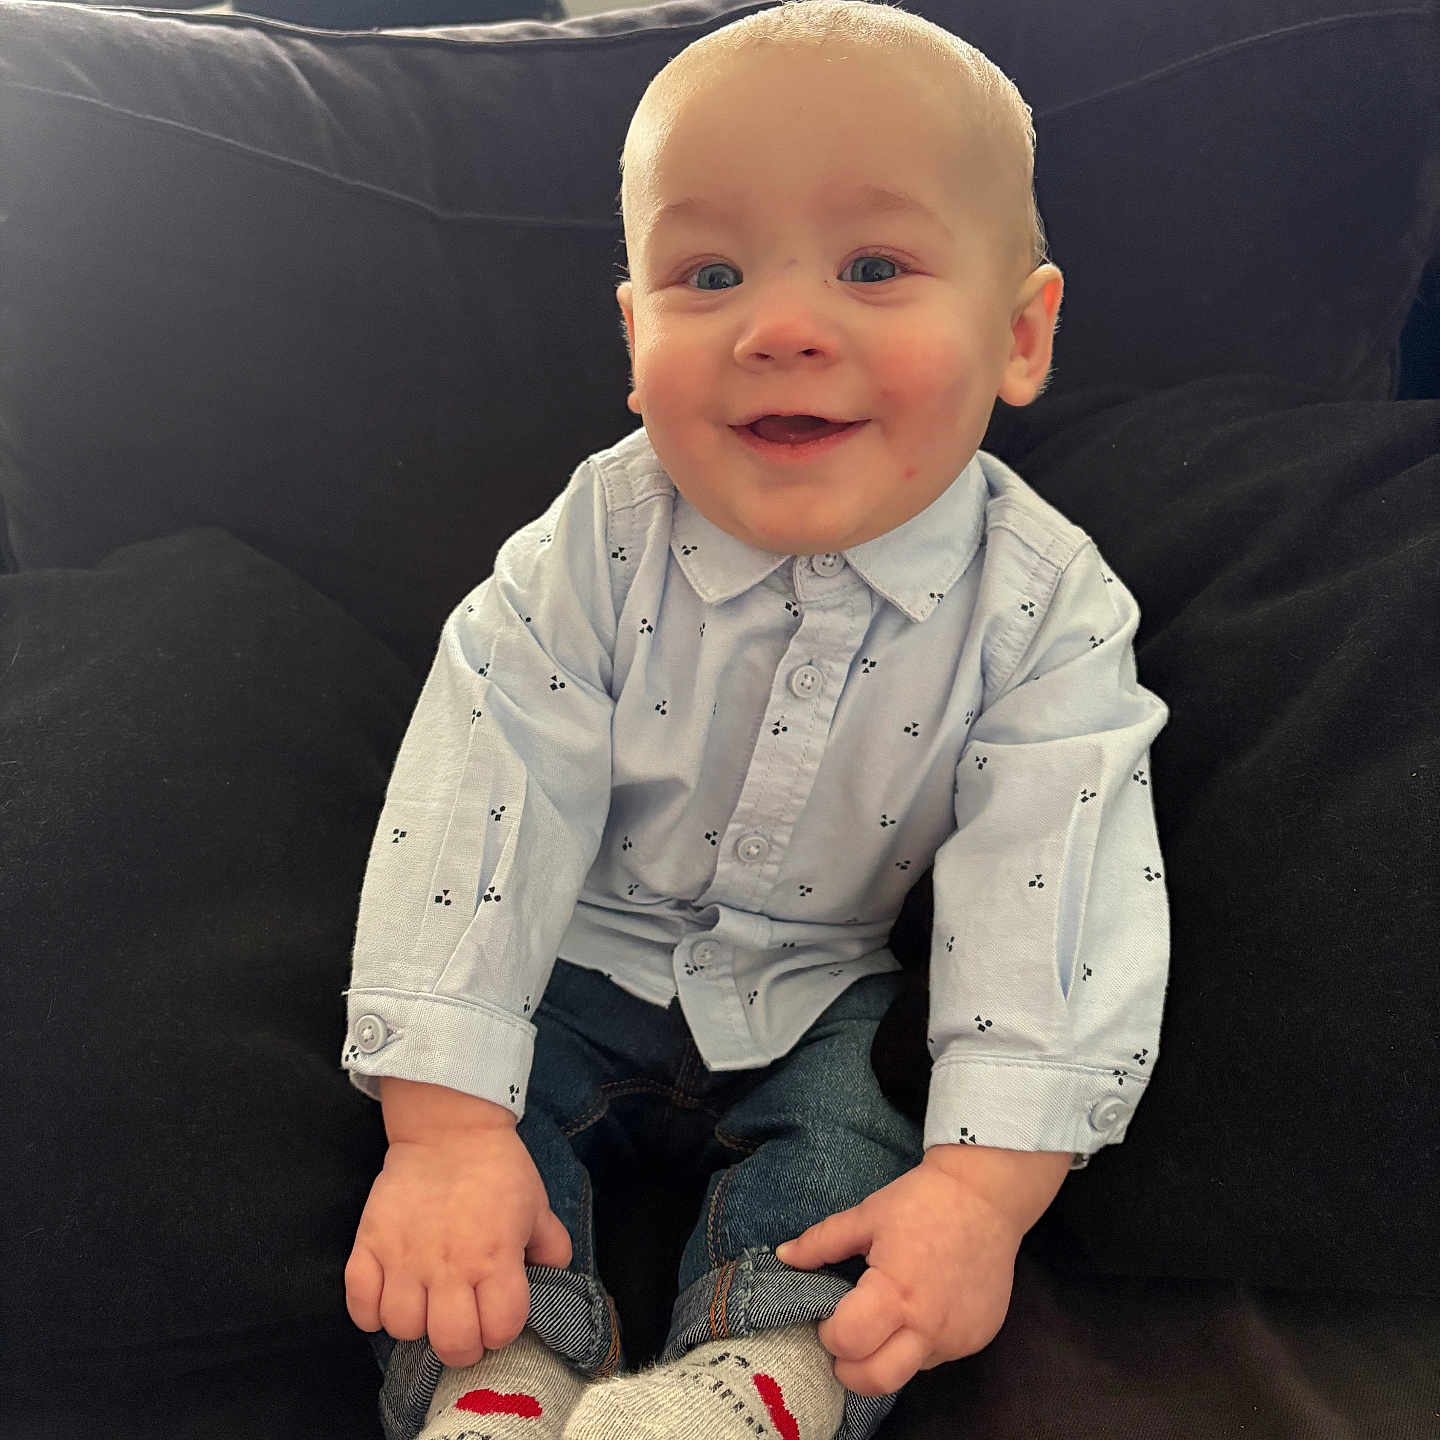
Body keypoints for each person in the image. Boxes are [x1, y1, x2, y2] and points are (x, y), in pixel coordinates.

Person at [340, 2, 1170, 1437]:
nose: (783, 329)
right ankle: (501, 1382)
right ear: (635, 332)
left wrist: (984, 1191)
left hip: (820, 989)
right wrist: (445, 1128)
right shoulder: (593, 542)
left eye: (874, 265)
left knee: (858, 1153)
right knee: (477, 1166)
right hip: (575, 955)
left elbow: (1059, 887)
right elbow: (482, 792)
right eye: (709, 273)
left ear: (1020, 332)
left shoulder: (1051, 612)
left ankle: (759, 1386)